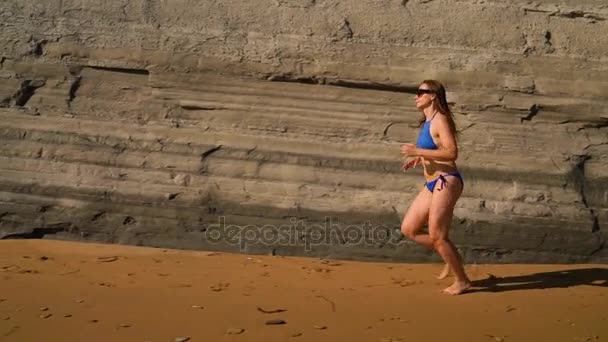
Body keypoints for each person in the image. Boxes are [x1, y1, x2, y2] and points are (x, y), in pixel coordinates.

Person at [400, 80, 471, 295]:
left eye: (421, 92)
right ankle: (448, 255)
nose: (416, 96)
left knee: (438, 235)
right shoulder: (428, 121)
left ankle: (462, 281)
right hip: (432, 183)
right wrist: (419, 159)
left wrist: (417, 152)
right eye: (417, 92)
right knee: (409, 229)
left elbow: (451, 153)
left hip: (446, 181)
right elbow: (434, 148)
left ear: (433, 95)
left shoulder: (440, 120)